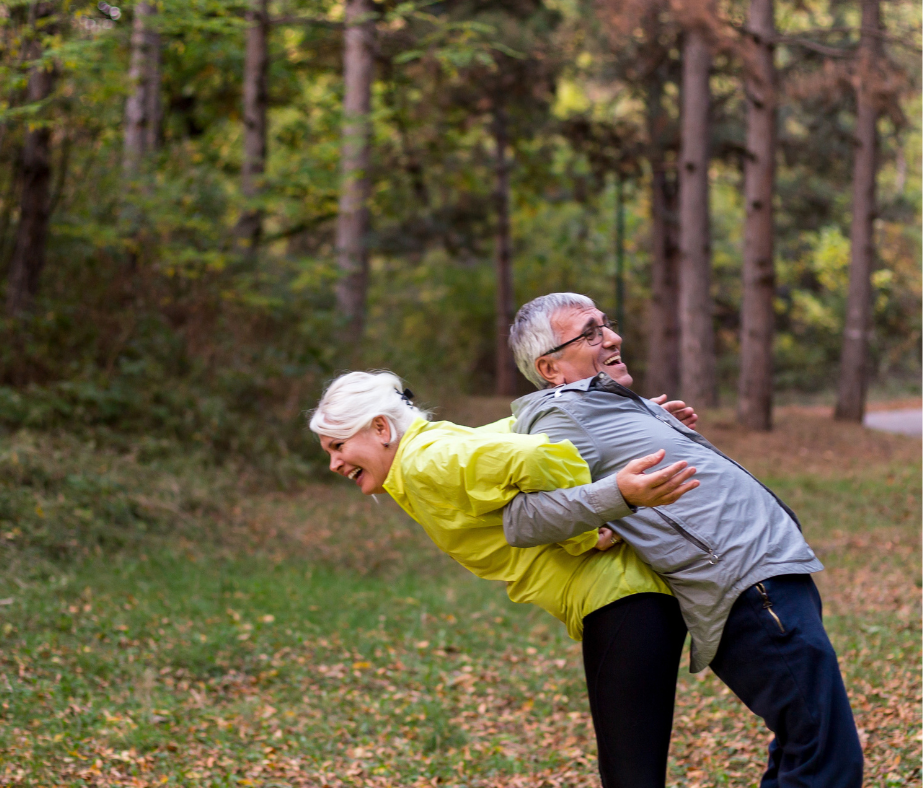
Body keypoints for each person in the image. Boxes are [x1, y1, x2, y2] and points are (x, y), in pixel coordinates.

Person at [501, 292, 863, 788]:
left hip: (768, 574)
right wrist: (618, 495)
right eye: (589, 333)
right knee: (826, 757)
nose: (612, 337)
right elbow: (522, 519)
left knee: (806, 741)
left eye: (606, 324)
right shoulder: (559, 415)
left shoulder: (599, 407)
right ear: (551, 368)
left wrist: (648, 420)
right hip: (746, 588)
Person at [310, 370, 700, 788]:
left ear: (381, 428)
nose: (333, 463)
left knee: (630, 777)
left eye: (338, 445)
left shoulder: (426, 462)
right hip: (627, 601)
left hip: (621, 599)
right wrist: (621, 425)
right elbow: (521, 429)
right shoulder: (430, 451)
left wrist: (587, 531)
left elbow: (537, 457)